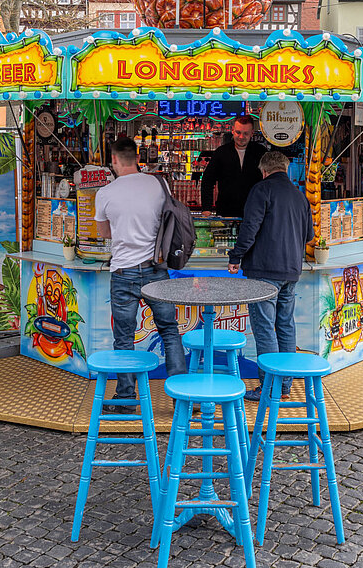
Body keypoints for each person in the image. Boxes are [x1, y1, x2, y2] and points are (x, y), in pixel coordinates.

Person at [94, 137, 187, 412]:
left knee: (124, 337)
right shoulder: (159, 184)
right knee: (169, 331)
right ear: (137, 158)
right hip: (156, 269)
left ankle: (126, 397)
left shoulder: (105, 192)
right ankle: (181, 395)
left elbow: (103, 234)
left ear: (113, 160)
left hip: (123, 272)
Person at [229, 150, 315, 401]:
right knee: (285, 326)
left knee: (265, 328)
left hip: (264, 271)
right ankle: (285, 386)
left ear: (263, 170)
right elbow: (309, 236)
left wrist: (236, 256)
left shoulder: (261, 190)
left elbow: (249, 229)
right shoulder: (300, 197)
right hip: (291, 271)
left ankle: (269, 388)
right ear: (286, 169)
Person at [200, 114, 266, 218]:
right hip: (226, 212)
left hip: (255, 212)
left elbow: (270, 182)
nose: (241, 137)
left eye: (246, 134)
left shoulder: (261, 153)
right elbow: (207, 181)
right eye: (238, 132)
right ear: (232, 130)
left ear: (252, 133)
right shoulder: (221, 153)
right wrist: (206, 209)